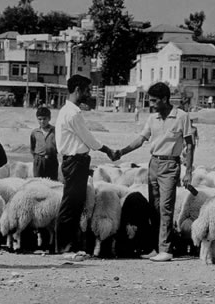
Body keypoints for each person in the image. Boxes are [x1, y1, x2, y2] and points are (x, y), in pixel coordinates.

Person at [114, 82, 194, 262]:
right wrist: (121, 152)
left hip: (170, 164)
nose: (151, 103)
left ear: (165, 99)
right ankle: (156, 247)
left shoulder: (182, 117)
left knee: (166, 207)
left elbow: (190, 144)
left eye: (154, 100)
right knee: (155, 207)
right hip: (154, 164)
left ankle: (166, 249)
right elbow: (141, 139)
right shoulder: (152, 119)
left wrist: (188, 171)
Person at [55, 75, 115, 260]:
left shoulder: (69, 111)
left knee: (75, 204)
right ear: (78, 90)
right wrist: (107, 150)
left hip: (75, 161)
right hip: (75, 162)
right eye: (87, 90)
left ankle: (70, 245)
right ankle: (65, 247)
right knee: (70, 204)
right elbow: (88, 138)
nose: (89, 94)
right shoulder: (72, 113)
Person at [30, 106, 58, 180]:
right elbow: (32, 147)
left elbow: (59, 145)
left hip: (52, 160)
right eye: (40, 119)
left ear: (49, 118)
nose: (42, 121)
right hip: (39, 161)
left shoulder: (55, 131)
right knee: (38, 182)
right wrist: (37, 158)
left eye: (44, 119)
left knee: (52, 181)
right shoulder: (35, 132)